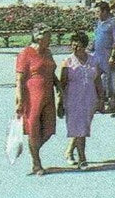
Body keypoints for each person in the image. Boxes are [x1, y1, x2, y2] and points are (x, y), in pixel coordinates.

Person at [13, 24, 57, 176]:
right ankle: (36, 164)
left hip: (49, 95)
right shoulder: (26, 53)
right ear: (38, 37)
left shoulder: (48, 53)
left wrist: (60, 89)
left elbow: (52, 72)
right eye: (48, 36)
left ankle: (34, 150)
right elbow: (19, 79)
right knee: (33, 129)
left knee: (49, 129)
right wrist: (19, 99)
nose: (50, 39)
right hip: (32, 97)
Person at [57, 31, 103, 169]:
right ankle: (82, 158)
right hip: (73, 99)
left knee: (82, 127)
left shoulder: (94, 60)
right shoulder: (67, 62)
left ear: (85, 46)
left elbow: (98, 80)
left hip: (89, 98)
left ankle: (69, 151)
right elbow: (62, 84)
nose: (75, 49)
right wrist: (60, 103)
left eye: (78, 46)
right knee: (79, 128)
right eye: (73, 46)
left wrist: (101, 98)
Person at [91, 1, 115, 113]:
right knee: (96, 80)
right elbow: (97, 36)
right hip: (98, 55)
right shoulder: (99, 22)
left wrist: (113, 55)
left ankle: (112, 105)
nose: (96, 14)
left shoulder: (113, 22)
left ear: (105, 11)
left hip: (108, 55)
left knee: (111, 81)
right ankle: (100, 104)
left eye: (98, 12)